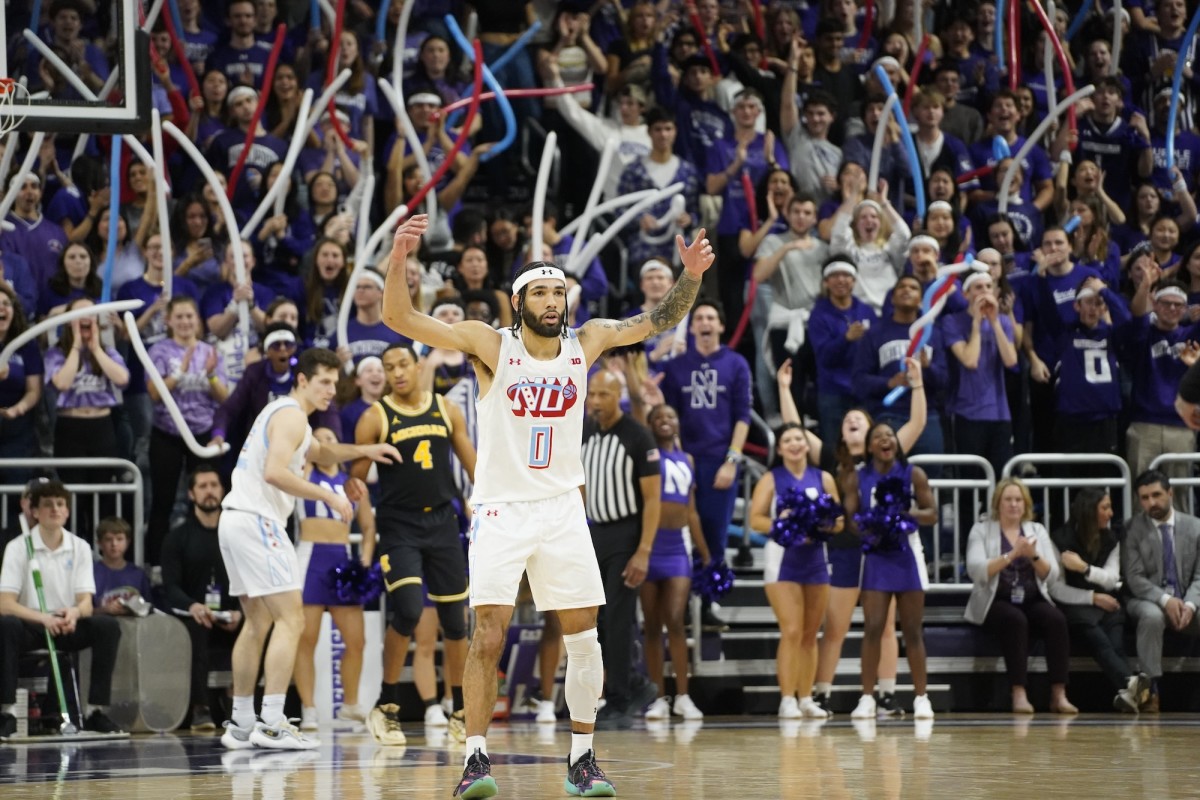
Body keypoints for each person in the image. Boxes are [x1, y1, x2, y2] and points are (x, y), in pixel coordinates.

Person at [381, 214, 714, 799]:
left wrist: (688, 279)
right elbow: (399, 318)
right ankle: (475, 760)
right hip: (502, 509)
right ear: (518, 302)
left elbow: (659, 320)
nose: (554, 300)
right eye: (541, 291)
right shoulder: (492, 345)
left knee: (585, 639)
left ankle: (582, 759)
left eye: (560, 291)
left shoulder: (588, 341)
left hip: (562, 509)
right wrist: (399, 258)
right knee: (489, 633)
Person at [217, 347, 400, 751]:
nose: (331, 391)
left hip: (235, 519)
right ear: (302, 380)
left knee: (258, 623)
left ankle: (243, 721)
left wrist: (365, 451)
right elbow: (275, 473)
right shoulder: (291, 416)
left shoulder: (288, 416)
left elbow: (323, 452)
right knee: (293, 620)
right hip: (258, 520)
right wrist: (329, 495)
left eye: (335, 383)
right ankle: (273, 722)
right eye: (324, 382)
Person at [351, 343, 476, 746]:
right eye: (389, 368)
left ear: (418, 366)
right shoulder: (375, 417)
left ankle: (459, 709)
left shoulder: (445, 409)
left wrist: (483, 502)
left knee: (455, 622)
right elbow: (356, 480)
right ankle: (386, 705)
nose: (397, 372)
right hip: (399, 526)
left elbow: (475, 466)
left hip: (443, 521)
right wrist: (360, 516)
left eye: (403, 364)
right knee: (406, 610)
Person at [657, 300, 752, 632]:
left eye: (711, 317)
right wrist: (680, 460)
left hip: (720, 461)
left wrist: (732, 459)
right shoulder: (678, 366)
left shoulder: (736, 364)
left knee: (714, 536)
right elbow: (669, 417)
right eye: (699, 318)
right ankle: (680, 607)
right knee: (682, 534)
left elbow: (742, 416)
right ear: (692, 327)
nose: (705, 322)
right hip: (686, 461)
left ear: (721, 326)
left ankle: (709, 603)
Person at [0, 480, 122, 737]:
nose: (54, 509)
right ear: (34, 512)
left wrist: (74, 613)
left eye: (60, 504)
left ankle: (94, 711)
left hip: (67, 623)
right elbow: (6, 604)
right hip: (31, 623)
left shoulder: (79, 547)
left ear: (67, 511)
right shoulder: (18, 547)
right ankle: (8, 712)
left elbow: (86, 603)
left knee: (107, 626)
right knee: (6, 625)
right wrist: (44, 619)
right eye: (47, 504)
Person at [842, 422, 938, 721]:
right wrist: (873, 526)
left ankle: (922, 698)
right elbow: (851, 519)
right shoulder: (857, 478)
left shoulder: (914, 474)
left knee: (912, 630)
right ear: (870, 447)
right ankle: (867, 698)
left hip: (906, 553)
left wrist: (901, 517)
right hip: (876, 556)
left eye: (890, 435)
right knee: (873, 627)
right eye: (878, 436)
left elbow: (932, 514)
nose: (886, 439)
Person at [581, 370, 662, 726]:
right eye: (591, 395)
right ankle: (622, 688)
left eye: (603, 395)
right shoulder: (582, 432)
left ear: (618, 396)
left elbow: (653, 498)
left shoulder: (638, 437)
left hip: (626, 534)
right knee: (595, 621)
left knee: (617, 617)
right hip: (593, 533)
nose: (595, 402)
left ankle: (625, 691)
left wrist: (643, 550)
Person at [749, 423, 842, 719]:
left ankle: (806, 698)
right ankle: (787, 699)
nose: (794, 444)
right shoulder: (770, 478)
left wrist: (823, 526)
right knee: (791, 630)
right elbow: (755, 520)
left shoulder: (824, 478)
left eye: (798, 439)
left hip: (816, 559)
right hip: (782, 560)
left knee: (810, 633)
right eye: (787, 440)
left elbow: (838, 521)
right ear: (780, 448)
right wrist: (784, 523)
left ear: (806, 444)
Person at [964, 477, 1076, 714]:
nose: (1013, 504)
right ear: (998, 504)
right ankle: (1019, 692)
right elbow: (976, 570)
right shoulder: (981, 529)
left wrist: (1034, 556)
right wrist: (1010, 556)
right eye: (1008, 500)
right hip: (996, 599)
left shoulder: (1037, 530)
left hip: (1032, 596)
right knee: (1016, 620)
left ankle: (1058, 693)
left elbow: (1052, 574)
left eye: (1018, 500)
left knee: (1056, 620)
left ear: (1026, 505)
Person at [294, 427, 377, 731]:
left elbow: (368, 526)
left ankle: (350, 705)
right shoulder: (304, 473)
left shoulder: (351, 483)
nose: (325, 443)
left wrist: (365, 559)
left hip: (342, 561)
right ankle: (309, 709)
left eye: (330, 438)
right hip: (310, 560)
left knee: (356, 640)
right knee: (306, 639)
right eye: (320, 439)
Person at [1049, 489, 1151, 713]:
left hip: (1107, 603)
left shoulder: (1111, 538)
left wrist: (1084, 569)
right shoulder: (1060, 539)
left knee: (1116, 645)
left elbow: (1111, 579)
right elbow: (1055, 588)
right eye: (1105, 508)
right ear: (1088, 511)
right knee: (1101, 643)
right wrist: (1092, 597)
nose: (1111, 513)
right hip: (1075, 605)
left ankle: (1129, 695)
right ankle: (1132, 686)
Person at [641, 404, 711, 722]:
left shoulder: (688, 460)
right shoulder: (647, 456)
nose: (665, 421)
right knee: (653, 625)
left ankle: (684, 695)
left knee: (675, 619)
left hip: (677, 547)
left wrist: (705, 551)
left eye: (671, 416)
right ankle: (658, 697)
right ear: (650, 425)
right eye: (658, 418)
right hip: (649, 545)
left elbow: (692, 510)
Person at [160, 464, 241, 732]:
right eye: (203, 487)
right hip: (195, 616)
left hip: (232, 615)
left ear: (223, 490)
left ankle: (238, 700)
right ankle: (201, 708)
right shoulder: (177, 538)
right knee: (196, 629)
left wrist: (242, 612)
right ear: (192, 494)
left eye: (214, 485)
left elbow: (252, 580)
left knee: (263, 625)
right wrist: (192, 605)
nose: (210, 492)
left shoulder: (237, 534)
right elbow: (169, 587)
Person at [1122, 470, 1200, 713]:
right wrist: (1165, 600)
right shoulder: (1132, 529)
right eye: (1144, 498)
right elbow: (1134, 578)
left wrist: (1189, 604)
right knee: (1152, 616)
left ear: (1170, 493)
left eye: (1156, 495)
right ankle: (1149, 692)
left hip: (1187, 598)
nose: (1151, 503)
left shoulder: (1195, 527)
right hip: (1145, 598)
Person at [92, 517, 152, 616]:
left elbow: (149, 607)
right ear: (99, 543)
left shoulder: (138, 574)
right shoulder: (91, 573)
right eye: (108, 539)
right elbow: (84, 611)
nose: (114, 544)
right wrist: (104, 610)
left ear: (127, 542)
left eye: (119, 539)